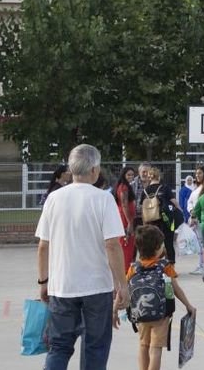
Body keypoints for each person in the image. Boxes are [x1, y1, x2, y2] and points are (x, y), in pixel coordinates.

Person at [35, 144, 129, 370]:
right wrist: (122, 285)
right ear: (95, 169)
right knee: (95, 348)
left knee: (59, 347)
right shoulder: (103, 199)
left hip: (62, 286)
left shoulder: (54, 199)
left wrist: (43, 281)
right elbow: (112, 245)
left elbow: (43, 245)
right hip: (96, 287)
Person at [124, 226, 196, 370]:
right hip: (161, 316)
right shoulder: (164, 266)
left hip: (141, 314)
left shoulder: (133, 268)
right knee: (155, 349)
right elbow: (176, 289)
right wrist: (188, 305)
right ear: (157, 248)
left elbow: (126, 289)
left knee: (143, 345)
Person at [142, 168, 178, 264]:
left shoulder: (145, 190)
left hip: (151, 221)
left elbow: (142, 206)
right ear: (159, 176)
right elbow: (174, 201)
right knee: (168, 243)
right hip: (165, 220)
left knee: (153, 244)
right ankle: (170, 265)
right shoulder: (165, 188)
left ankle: (153, 264)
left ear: (150, 177)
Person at [114, 166, 138, 269]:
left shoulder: (124, 186)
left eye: (132, 175)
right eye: (128, 174)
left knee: (127, 245)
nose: (131, 177)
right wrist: (129, 223)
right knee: (126, 245)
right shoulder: (124, 187)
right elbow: (124, 205)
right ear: (123, 175)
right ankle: (125, 270)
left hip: (125, 218)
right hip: (125, 219)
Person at [186, 166, 204, 275]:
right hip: (196, 219)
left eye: (199, 173)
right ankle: (202, 264)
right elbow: (190, 202)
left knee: (203, 244)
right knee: (199, 244)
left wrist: (196, 214)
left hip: (203, 220)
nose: (197, 175)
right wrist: (191, 212)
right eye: (196, 173)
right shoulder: (196, 188)